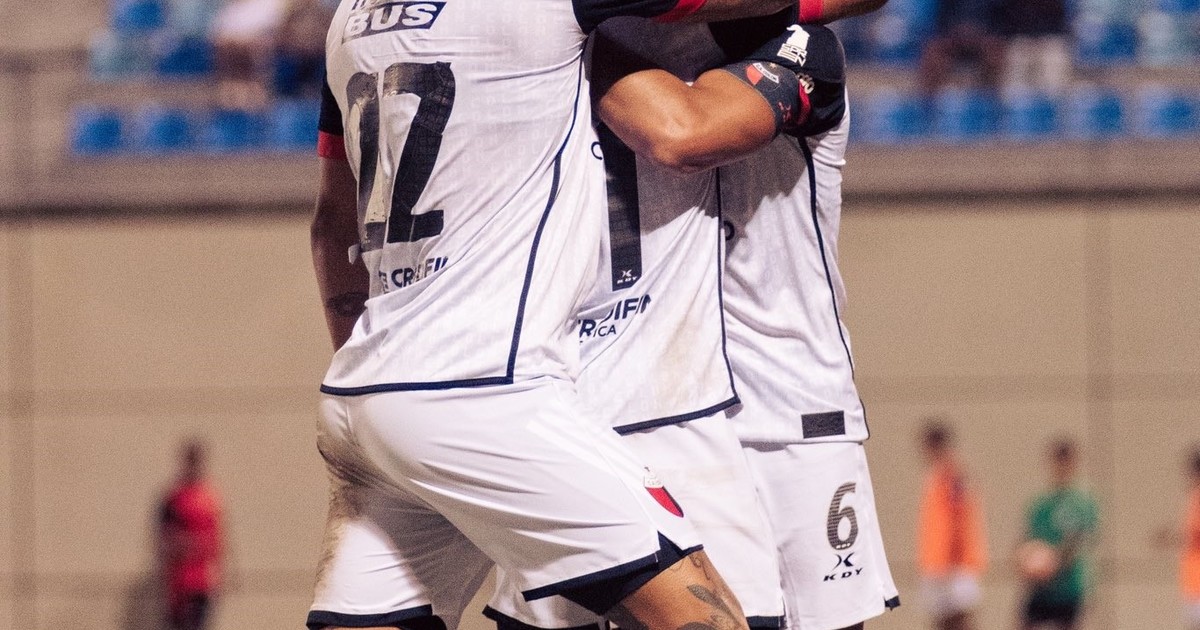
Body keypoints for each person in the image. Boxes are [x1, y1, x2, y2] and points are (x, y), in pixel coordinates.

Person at [307, 0, 826, 629]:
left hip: (363, 394)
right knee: (705, 614)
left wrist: (392, 392)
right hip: (485, 389)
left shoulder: (346, 22)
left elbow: (333, 229)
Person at [483, 13, 863, 630]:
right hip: (633, 388)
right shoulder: (570, 46)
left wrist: (566, 33)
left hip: (785, 407)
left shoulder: (799, 43)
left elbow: (683, 133)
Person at [716, 36, 901, 629]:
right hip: (697, 416)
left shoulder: (806, 47)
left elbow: (685, 135)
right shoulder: (659, 43)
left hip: (801, 409)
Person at [1018, 439, 1099, 630]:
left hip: (1069, 587)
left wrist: (1052, 562)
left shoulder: (1083, 504)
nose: (1062, 467)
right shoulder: (1041, 505)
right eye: (1058, 461)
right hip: (1041, 588)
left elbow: (1080, 541)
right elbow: (1028, 539)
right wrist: (1026, 559)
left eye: (1066, 461)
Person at [915, 422, 987, 630]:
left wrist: (951, 562)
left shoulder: (953, 477)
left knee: (958, 621)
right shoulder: (936, 477)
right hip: (939, 564)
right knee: (943, 622)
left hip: (953, 565)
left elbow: (958, 521)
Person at [158, 439, 224, 630]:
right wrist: (190, 544)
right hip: (179, 583)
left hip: (203, 582)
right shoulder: (174, 498)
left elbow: (218, 540)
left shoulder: (209, 498)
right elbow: (165, 539)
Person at [916, 0, 1005, 96]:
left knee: (994, 52)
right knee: (933, 53)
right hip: (953, 37)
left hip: (982, 38)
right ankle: (928, 100)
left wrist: (977, 34)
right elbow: (940, 22)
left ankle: (992, 98)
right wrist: (958, 33)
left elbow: (999, 22)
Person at [993, 0, 1071, 96]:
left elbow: (1063, 14)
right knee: (1013, 92)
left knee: (1054, 88)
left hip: (1050, 41)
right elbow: (1000, 15)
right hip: (1018, 41)